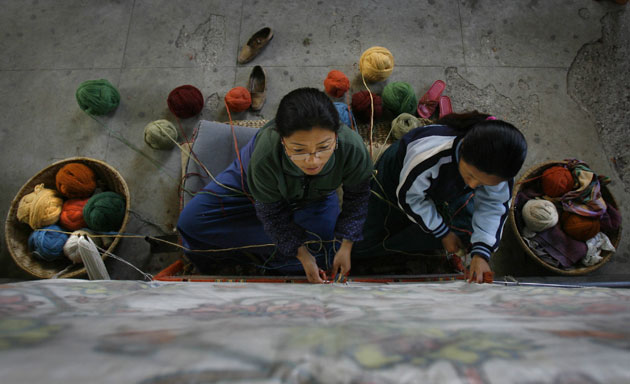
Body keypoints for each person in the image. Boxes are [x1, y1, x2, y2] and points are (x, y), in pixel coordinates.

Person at [177, 88, 373, 283]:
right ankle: (269, 251)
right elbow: (272, 214)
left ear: (336, 136)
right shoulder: (265, 156)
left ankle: (271, 248)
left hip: (315, 197)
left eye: (323, 147)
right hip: (250, 185)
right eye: (299, 149)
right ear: (282, 139)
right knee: (191, 224)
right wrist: (302, 254)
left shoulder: (352, 149)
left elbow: (357, 198)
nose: (313, 162)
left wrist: (346, 245)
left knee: (327, 255)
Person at [353, 112, 527, 283]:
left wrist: (481, 254)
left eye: (483, 183)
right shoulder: (428, 156)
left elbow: (494, 205)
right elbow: (410, 198)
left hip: (442, 186)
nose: (473, 187)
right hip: (397, 180)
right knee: (367, 235)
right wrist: (442, 232)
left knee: (469, 234)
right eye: (470, 176)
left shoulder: (499, 168)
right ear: (463, 147)